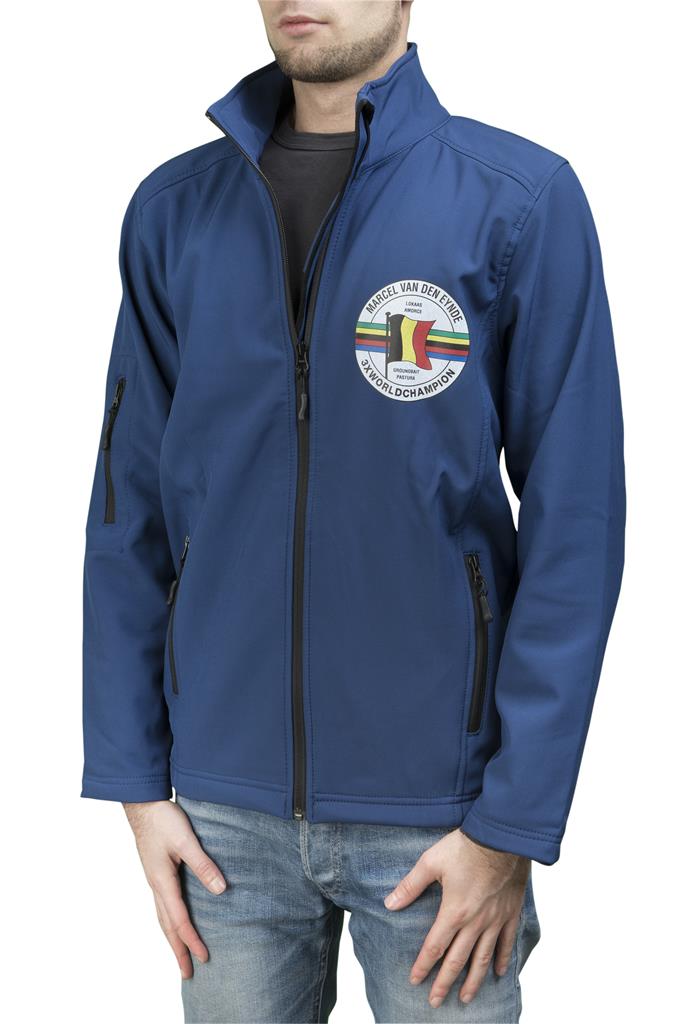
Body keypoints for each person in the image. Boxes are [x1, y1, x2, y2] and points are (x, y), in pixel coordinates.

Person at [80, 2, 626, 1021]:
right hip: (220, 819)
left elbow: (577, 526)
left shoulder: (515, 200)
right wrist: (136, 784)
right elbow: (126, 513)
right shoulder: (175, 210)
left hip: (441, 818)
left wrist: (510, 824)